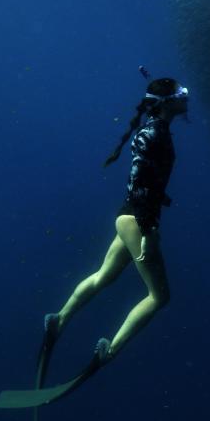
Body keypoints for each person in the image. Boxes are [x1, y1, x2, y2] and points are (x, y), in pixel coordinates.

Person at [38, 76, 189, 384]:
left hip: (128, 218)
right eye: (181, 93)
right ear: (167, 102)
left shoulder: (153, 130)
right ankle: (110, 351)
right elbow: (139, 183)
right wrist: (148, 230)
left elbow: (143, 182)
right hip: (138, 220)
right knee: (159, 297)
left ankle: (59, 320)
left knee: (104, 276)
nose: (187, 95)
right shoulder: (156, 133)